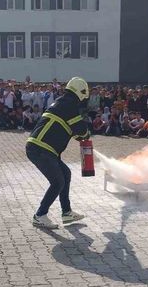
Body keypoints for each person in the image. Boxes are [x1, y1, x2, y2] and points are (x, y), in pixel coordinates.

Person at [26, 77, 90, 229]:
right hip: (41, 148)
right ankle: (40, 215)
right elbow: (81, 131)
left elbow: (74, 133)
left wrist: (81, 135)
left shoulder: (63, 102)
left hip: (43, 148)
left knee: (65, 174)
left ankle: (66, 212)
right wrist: (86, 134)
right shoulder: (70, 105)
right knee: (57, 181)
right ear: (80, 92)